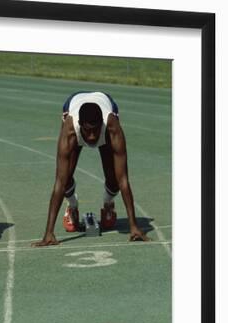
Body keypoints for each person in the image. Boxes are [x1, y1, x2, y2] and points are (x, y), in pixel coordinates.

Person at [32, 91, 150, 247]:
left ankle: (108, 204)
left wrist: (133, 226)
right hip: (72, 103)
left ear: (101, 123)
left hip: (105, 101)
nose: (93, 137)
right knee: (65, 176)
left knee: (114, 178)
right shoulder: (70, 130)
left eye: (96, 130)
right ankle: (72, 206)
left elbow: (124, 180)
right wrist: (48, 233)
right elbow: (59, 183)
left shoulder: (112, 126)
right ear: (80, 124)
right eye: (88, 131)